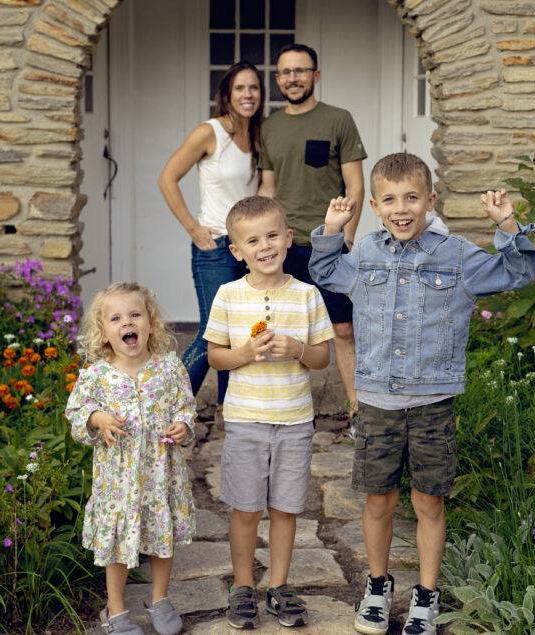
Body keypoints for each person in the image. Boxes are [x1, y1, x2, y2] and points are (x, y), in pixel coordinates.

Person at [309, 153, 535, 635]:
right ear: (373, 205)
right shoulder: (366, 253)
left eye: (412, 197)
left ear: (430, 200)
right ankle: (377, 586)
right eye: (389, 199)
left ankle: (427, 596)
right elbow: (327, 273)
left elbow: (518, 273)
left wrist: (507, 223)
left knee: (429, 501)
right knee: (378, 501)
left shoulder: (456, 255)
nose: (402, 208)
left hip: (433, 402)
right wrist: (332, 229)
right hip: (376, 402)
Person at [204, 196, 335, 629]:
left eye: (273, 235)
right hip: (245, 420)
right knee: (245, 508)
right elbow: (216, 357)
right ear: (237, 251)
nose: (266, 246)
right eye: (253, 240)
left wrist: (297, 349)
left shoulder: (307, 295)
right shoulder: (228, 296)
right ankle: (243, 587)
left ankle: (279, 586)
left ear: (288, 238)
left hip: (295, 420)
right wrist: (244, 351)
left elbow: (321, 359)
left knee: (285, 508)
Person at [65, 282, 197, 635]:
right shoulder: (97, 375)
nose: (127, 323)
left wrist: (183, 424)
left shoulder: (169, 369)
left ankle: (159, 599)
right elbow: (77, 411)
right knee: (118, 549)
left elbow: (187, 406)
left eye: (135, 315)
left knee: (161, 538)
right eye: (116, 318)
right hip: (118, 483)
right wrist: (99, 419)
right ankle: (116, 611)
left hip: (160, 477)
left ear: (150, 324)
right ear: (104, 333)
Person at [257, 43, 366, 419]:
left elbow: (355, 187)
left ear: (315, 75)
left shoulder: (338, 119)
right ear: (277, 79)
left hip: (327, 243)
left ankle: (356, 413)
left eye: (301, 71)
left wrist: (346, 237)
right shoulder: (270, 127)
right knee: (279, 331)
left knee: (343, 330)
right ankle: (284, 409)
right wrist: (257, 237)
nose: (293, 78)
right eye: (286, 72)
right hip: (281, 247)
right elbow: (267, 189)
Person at [158, 61, 265, 411]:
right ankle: (166, 408)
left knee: (236, 335)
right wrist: (193, 227)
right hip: (216, 248)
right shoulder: (210, 132)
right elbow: (167, 178)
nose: (248, 94)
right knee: (211, 333)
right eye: (240, 88)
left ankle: (228, 409)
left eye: (254, 88)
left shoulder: (258, 136)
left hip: (247, 249)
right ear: (227, 95)